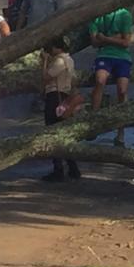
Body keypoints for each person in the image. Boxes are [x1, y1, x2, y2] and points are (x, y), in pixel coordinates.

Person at [89, 0, 133, 146]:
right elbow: (94, 42)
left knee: (122, 90)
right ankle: (92, 123)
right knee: (100, 80)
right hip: (104, 55)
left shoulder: (124, 14)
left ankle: (121, 132)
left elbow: (126, 42)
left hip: (122, 57)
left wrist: (105, 38)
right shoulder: (96, 17)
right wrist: (115, 38)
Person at [41, 37, 81, 182]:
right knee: (64, 134)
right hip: (64, 96)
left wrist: (45, 61)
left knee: (51, 132)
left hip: (54, 98)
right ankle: (73, 167)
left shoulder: (59, 61)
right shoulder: (69, 60)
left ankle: (58, 169)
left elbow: (46, 77)